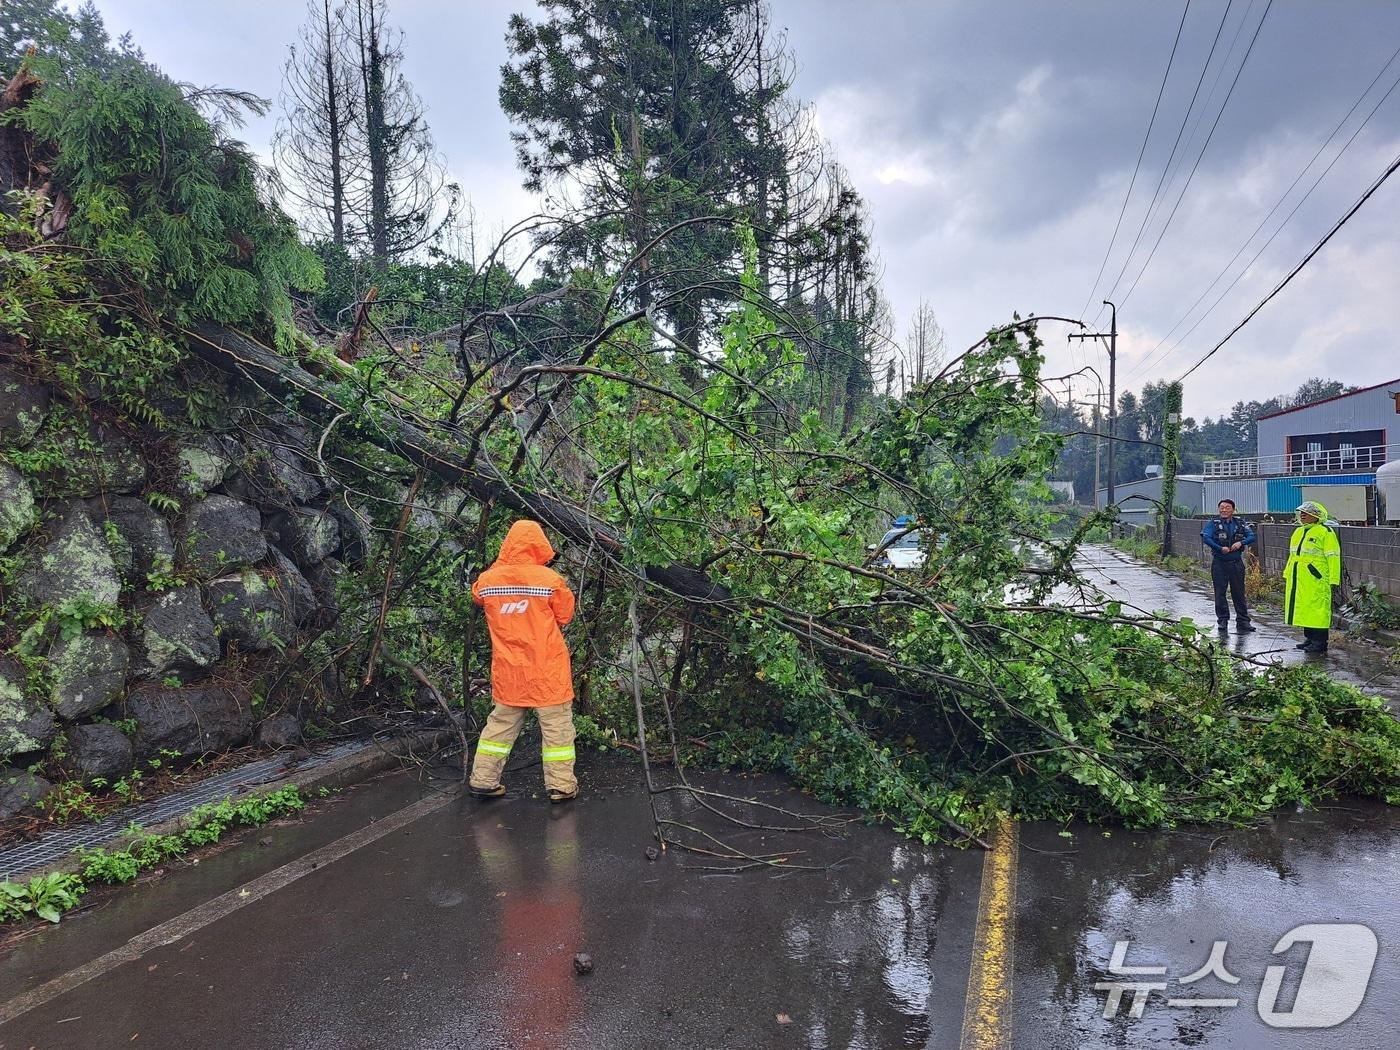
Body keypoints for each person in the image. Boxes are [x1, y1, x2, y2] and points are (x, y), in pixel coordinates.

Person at [468, 519, 579, 802]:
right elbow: (565, 616)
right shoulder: (550, 581)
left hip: (509, 671)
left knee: (500, 726)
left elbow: (477, 594)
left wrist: (502, 565)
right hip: (547, 669)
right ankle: (562, 786)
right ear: (539, 545)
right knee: (557, 730)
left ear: (508, 545)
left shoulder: (489, 582)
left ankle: (483, 780)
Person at [1283, 500, 1342, 654]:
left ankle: (1319, 642)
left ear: (1316, 516)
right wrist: (1287, 572)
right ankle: (1309, 638)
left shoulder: (1325, 532)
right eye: (1301, 513)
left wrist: (1334, 579)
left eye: (1306, 513)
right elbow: (1293, 556)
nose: (1302, 516)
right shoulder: (1299, 532)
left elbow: (1333, 557)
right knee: (1305, 609)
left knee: (1318, 610)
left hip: (1317, 579)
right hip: (1300, 578)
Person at [1200, 498, 1255, 633]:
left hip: (1236, 564)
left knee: (1239, 593)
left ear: (1233, 510)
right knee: (1220, 593)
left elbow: (1252, 536)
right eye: (1222, 507)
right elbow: (1205, 537)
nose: (1224, 510)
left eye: (1227, 507)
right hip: (1219, 563)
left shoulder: (1240, 523)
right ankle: (1223, 621)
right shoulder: (1213, 523)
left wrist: (1241, 543)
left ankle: (1243, 622)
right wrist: (1219, 548)